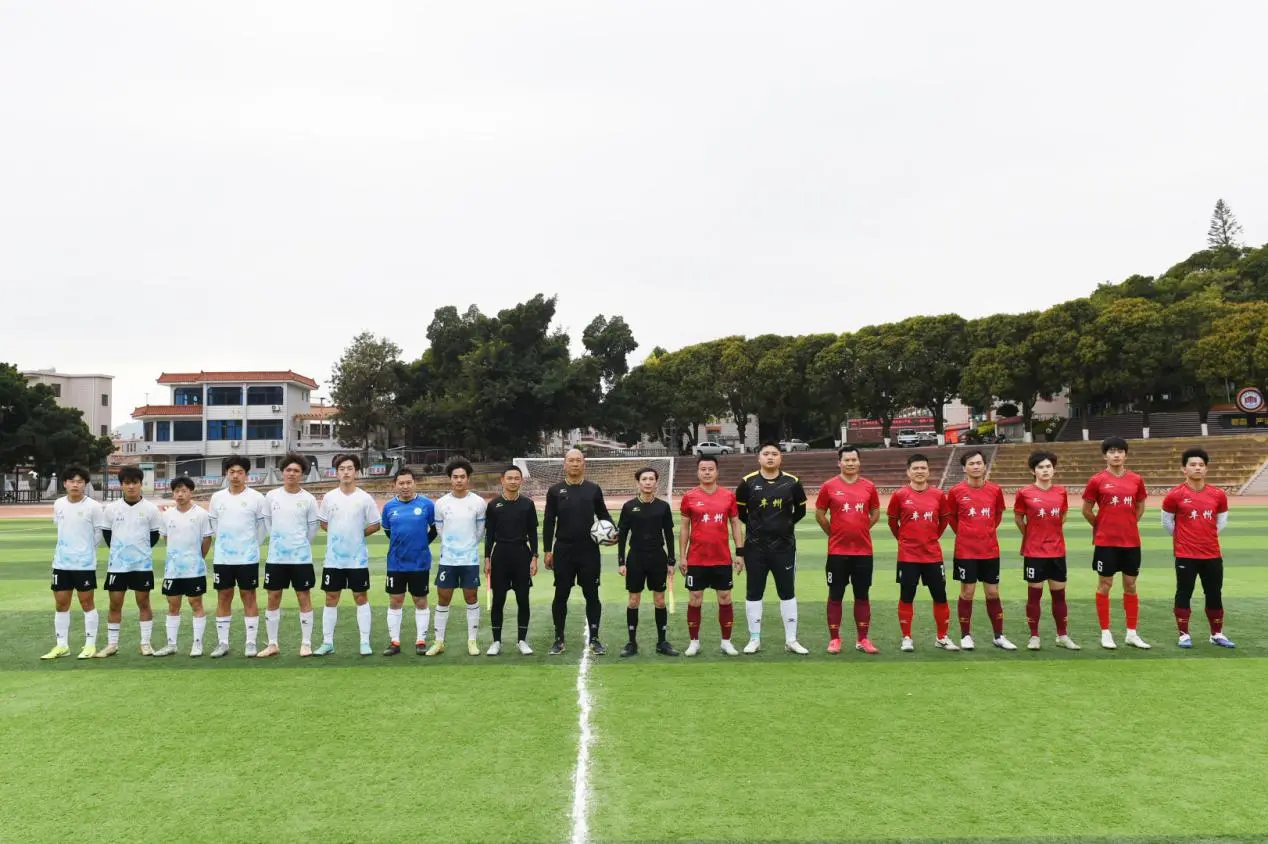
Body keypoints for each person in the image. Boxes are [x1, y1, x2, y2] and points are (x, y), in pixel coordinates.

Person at [735, 441, 809, 654]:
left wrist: (783, 527)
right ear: (759, 458)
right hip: (755, 548)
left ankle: (791, 640)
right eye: (766, 453)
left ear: (780, 457)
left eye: (774, 454)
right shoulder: (747, 483)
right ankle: (754, 639)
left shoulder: (792, 483)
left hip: (784, 548)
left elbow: (801, 511)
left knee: (787, 592)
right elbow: (740, 514)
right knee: (754, 592)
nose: (770, 457)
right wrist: (758, 529)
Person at [543, 448, 614, 656]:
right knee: (561, 594)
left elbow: (604, 515)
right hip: (563, 550)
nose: (575, 464)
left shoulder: (593, 489)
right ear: (564, 464)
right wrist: (547, 550)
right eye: (571, 460)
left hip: (589, 550)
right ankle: (559, 639)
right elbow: (549, 522)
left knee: (592, 594)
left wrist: (613, 532)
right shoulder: (555, 491)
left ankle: (595, 638)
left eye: (578, 460)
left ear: (584, 464)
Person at [1161, 448, 1234, 649]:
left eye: (1201, 465)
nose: (1197, 468)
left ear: (1206, 469)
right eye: (1193, 464)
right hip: (1186, 554)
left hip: (1212, 554)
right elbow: (1167, 522)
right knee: (1184, 593)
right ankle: (1184, 635)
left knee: (1214, 593)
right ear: (1184, 469)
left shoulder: (1218, 495)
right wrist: (1184, 538)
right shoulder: (1174, 495)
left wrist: (1205, 537)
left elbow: (1220, 522)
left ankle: (1216, 634)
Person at [1082, 436, 1150, 650]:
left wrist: (1128, 524)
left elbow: (1140, 506)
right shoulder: (1097, 480)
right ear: (1105, 456)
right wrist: (1101, 526)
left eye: (1120, 451)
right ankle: (1105, 632)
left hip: (1131, 542)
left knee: (1130, 585)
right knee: (1105, 584)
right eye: (1112, 451)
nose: (1116, 455)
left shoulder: (1136, 480)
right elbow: (1086, 509)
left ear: (1126, 455)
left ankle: (1132, 633)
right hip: (1106, 542)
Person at [946, 449, 1017, 651]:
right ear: (964, 468)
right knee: (967, 592)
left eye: (979, 463)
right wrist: (967, 534)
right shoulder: (956, 492)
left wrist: (985, 533)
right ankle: (965, 635)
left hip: (990, 550)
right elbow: (952, 518)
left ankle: (999, 636)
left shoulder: (995, 490)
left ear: (985, 466)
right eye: (971, 463)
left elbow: (997, 516)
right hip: (965, 551)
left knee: (993, 593)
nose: (976, 466)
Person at [813, 445, 880, 654]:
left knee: (862, 595)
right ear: (839, 463)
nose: (851, 463)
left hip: (863, 552)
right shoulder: (829, 486)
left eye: (854, 460)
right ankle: (835, 639)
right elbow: (819, 514)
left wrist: (863, 529)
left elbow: (875, 512)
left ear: (859, 462)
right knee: (836, 594)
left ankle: (863, 639)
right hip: (837, 552)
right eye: (847, 460)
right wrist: (833, 533)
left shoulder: (869, 486)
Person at [887, 453, 956, 652]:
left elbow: (944, 521)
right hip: (908, 556)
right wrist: (904, 540)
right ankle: (907, 638)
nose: (919, 471)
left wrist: (931, 538)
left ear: (928, 471)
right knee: (907, 596)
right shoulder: (900, 495)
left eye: (923, 468)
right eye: (915, 468)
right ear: (908, 472)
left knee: (940, 596)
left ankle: (941, 637)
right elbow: (892, 522)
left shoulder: (938, 495)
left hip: (932, 555)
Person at [315, 454, 382, 656]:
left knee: (360, 596)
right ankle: (327, 642)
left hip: (357, 559)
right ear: (336, 473)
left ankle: (364, 642)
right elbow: (323, 522)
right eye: (342, 469)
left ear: (357, 472)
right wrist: (339, 535)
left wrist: (356, 535)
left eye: (350, 468)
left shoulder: (364, 498)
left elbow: (375, 524)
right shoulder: (329, 497)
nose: (346, 472)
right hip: (333, 559)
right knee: (331, 597)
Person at [1013, 451, 1079, 650]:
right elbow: (1019, 518)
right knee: (1034, 596)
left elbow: (1063, 516)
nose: (1045, 470)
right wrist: (1031, 535)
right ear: (1033, 471)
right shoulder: (1024, 493)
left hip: (1057, 551)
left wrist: (1052, 534)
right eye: (1040, 467)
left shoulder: (1061, 492)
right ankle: (1034, 637)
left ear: (1054, 469)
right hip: (1034, 552)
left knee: (1059, 595)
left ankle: (1062, 635)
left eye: (1048, 466)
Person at [679, 456, 744, 657]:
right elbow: (684, 528)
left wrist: (739, 553)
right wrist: (682, 556)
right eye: (703, 469)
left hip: (722, 558)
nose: (707, 472)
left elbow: (735, 524)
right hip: (696, 558)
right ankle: (694, 642)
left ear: (717, 472)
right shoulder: (689, 497)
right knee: (695, 598)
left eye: (710, 469)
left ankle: (726, 642)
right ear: (698, 472)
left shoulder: (728, 496)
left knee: (725, 598)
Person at [95, 466, 162, 657]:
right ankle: (112, 644)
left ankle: (145, 643)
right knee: (115, 604)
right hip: (118, 566)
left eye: (135, 482)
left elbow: (154, 535)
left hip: (142, 565)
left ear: (141, 484)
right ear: (121, 485)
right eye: (127, 483)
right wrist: (121, 552)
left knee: (144, 603)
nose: (131, 486)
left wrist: (139, 551)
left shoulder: (151, 509)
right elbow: (107, 534)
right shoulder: (111, 509)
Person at [208, 456, 270, 658]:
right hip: (223, 558)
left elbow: (262, 528)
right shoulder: (217, 498)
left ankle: (250, 643)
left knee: (248, 596)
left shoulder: (257, 498)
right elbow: (214, 525)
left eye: (240, 472)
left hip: (247, 558)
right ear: (226, 473)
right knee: (223, 597)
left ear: (246, 475)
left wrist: (251, 545)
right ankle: (223, 642)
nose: (235, 476)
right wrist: (225, 544)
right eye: (232, 472)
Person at [41, 465, 104, 660]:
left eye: (79, 481)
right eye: (72, 481)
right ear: (65, 484)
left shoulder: (93, 506)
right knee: (61, 604)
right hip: (61, 563)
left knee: (87, 602)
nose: (75, 485)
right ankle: (62, 646)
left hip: (84, 564)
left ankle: (90, 645)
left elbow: (99, 532)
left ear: (85, 484)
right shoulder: (58, 504)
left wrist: (87, 551)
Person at [260, 454, 320, 657]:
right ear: (282, 472)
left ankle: (306, 643)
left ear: (302, 474)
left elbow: (312, 528)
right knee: (273, 597)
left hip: (300, 558)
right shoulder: (271, 496)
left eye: (296, 471)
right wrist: (279, 541)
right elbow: (268, 522)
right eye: (288, 470)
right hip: (276, 557)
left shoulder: (308, 499)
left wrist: (298, 544)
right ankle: (272, 644)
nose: (292, 474)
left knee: (303, 596)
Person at [426, 458, 486, 657]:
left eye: (462, 476)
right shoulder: (441, 503)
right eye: (455, 477)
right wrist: (452, 547)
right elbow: (440, 529)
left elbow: (480, 531)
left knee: (471, 598)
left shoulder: (478, 502)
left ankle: (472, 641)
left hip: (469, 560)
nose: (459, 480)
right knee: (443, 599)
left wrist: (467, 546)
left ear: (468, 479)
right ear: (450, 479)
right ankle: (439, 642)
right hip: (448, 560)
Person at [616, 467, 678, 657]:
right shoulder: (629, 506)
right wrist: (621, 561)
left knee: (659, 600)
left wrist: (671, 561)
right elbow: (622, 535)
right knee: (634, 600)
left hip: (658, 557)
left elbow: (669, 535)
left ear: (656, 482)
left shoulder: (663, 507)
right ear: (638, 483)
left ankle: (662, 642)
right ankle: (631, 643)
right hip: (636, 557)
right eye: (644, 479)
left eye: (651, 479)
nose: (648, 482)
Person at [153, 476, 213, 657]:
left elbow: (207, 539)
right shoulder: (167, 515)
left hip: (194, 569)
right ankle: (171, 644)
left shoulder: (201, 514)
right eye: (177, 491)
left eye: (184, 491)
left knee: (196, 603)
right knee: (173, 605)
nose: (180, 494)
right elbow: (166, 538)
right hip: (173, 570)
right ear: (173, 493)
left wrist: (197, 558)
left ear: (191, 492)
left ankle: (197, 644)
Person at [381, 467, 437, 656]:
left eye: (408, 482)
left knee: (420, 600)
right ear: (395, 485)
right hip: (395, 563)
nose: (405, 486)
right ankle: (394, 642)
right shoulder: (389, 507)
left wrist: (421, 543)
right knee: (395, 600)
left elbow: (434, 529)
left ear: (415, 483)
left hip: (419, 562)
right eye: (401, 483)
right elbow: (388, 531)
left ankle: (421, 641)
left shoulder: (427, 505)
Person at [484, 465, 538, 655]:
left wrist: (535, 557)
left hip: (522, 555)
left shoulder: (528, 504)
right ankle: (496, 642)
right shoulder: (493, 505)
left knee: (523, 599)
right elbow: (489, 535)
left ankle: (522, 641)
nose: (513, 481)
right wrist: (487, 558)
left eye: (516, 478)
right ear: (502, 480)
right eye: (509, 478)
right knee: (498, 600)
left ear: (521, 480)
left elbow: (533, 533)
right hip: (500, 556)